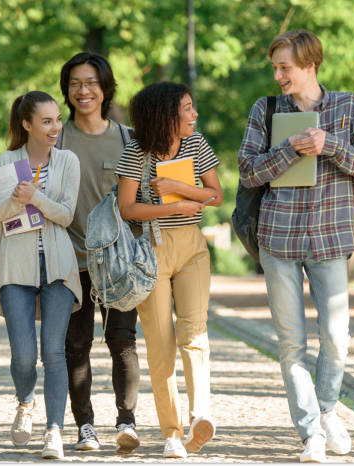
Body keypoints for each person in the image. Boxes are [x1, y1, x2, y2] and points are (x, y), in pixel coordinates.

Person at [237, 29, 354, 463]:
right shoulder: (265, 110)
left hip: (330, 239)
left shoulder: (348, 106)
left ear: (309, 64)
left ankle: (326, 411)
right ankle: (310, 434)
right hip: (278, 239)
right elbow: (247, 172)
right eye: (275, 67)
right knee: (291, 344)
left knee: (337, 339)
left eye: (285, 67)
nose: (278, 75)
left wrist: (330, 145)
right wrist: (289, 151)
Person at [116, 82, 222, 459]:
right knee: (161, 346)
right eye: (188, 109)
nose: (194, 115)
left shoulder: (196, 145)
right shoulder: (136, 153)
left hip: (192, 249)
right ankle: (172, 432)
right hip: (151, 254)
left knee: (194, 335)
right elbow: (127, 208)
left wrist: (179, 187)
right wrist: (172, 207)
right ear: (165, 116)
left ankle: (200, 416)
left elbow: (215, 195)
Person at [0, 91, 81, 460]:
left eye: (57, 120)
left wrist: (36, 198)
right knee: (24, 355)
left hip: (57, 265)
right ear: (27, 125)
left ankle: (54, 430)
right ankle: (25, 403)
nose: (55, 127)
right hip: (15, 266)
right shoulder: (8, 160)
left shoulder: (68, 160)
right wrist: (15, 201)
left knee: (53, 352)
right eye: (47, 121)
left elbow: (67, 215)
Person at [57, 52, 141, 454]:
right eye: (75, 83)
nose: (83, 90)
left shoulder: (128, 139)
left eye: (90, 83)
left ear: (105, 88)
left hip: (118, 266)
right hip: (70, 262)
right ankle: (84, 426)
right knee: (76, 346)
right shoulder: (55, 139)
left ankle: (127, 421)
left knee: (122, 341)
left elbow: (142, 199)